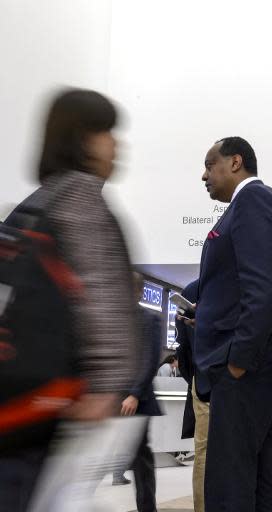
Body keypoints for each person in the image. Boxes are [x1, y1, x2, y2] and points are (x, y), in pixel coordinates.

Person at [0, 88, 140, 510]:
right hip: (61, 401)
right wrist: (106, 385)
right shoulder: (82, 202)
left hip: (18, 397)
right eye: (107, 131)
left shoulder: (31, 206)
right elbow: (104, 303)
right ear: (82, 138)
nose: (116, 145)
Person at [194, 136, 272, 511]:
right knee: (258, 473)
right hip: (256, 359)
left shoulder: (253, 201)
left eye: (210, 165)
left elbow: (264, 287)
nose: (204, 175)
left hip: (247, 362)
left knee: (230, 479)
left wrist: (239, 358)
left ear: (236, 162)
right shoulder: (251, 205)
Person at [112, 273, 163, 512]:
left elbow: (149, 360)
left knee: (140, 458)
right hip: (110, 399)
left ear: (138, 292)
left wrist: (134, 393)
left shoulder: (149, 320)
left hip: (137, 401)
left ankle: (146, 508)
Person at [174, 279, 209, 511]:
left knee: (203, 450)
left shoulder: (191, 290)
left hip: (201, 377)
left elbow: (182, 343)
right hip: (225, 378)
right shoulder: (240, 282)